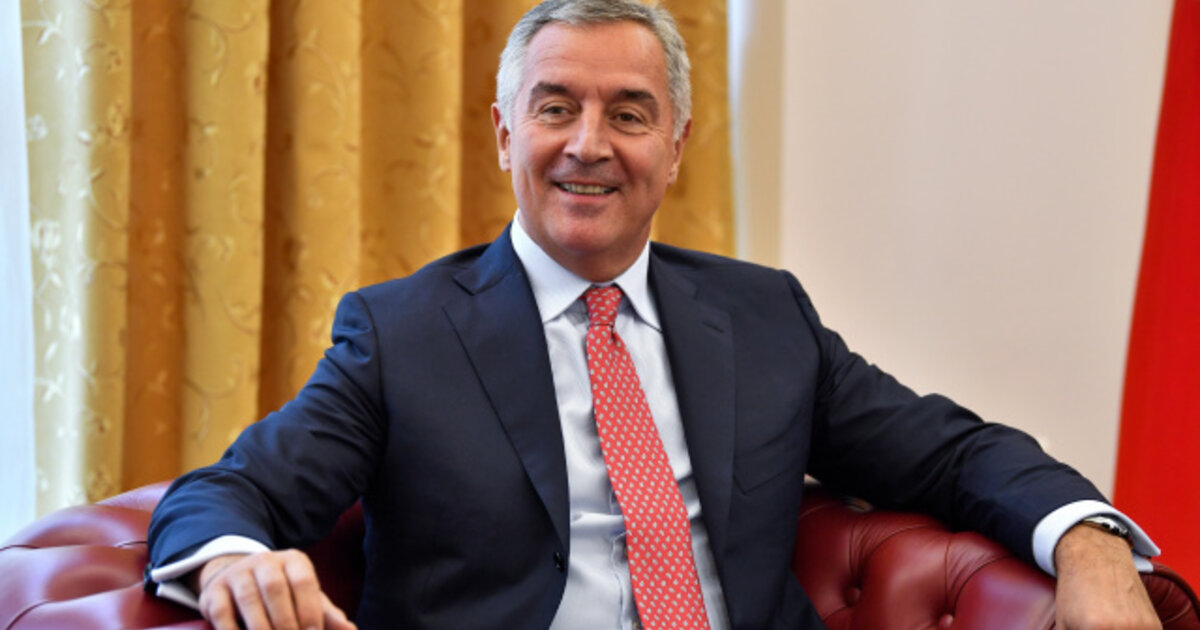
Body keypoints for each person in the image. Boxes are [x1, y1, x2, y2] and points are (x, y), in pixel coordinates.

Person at [145, 1, 1162, 629]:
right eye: (555, 107)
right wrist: (234, 558)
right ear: (504, 135)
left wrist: (1089, 544)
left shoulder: (765, 318)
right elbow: (231, 493)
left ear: (674, 148)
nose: (589, 144)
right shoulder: (400, 334)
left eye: (629, 113)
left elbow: (951, 453)